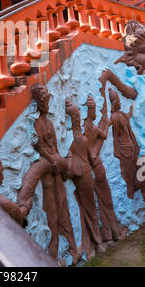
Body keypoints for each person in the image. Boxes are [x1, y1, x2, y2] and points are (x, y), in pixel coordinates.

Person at [17, 84, 81, 264]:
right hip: (47, 175)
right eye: (44, 101)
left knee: (64, 210)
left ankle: (73, 249)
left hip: (56, 172)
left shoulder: (49, 123)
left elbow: (55, 148)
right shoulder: (36, 123)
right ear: (38, 102)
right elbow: (39, 147)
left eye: (48, 100)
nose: (47, 104)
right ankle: (52, 257)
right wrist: (52, 160)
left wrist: (58, 161)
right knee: (52, 217)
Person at [83, 90, 127, 244]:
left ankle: (109, 234)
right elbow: (104, 135)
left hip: (89, 170)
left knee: (101, 202)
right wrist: (107, 123)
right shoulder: (92, 128)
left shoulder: (82, 130)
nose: (94, 113)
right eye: (93, 110)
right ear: (90, 112)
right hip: (97, 168)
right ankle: (115, 232)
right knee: (106, 201)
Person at [65, 98, 105, 260]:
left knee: (85, 209)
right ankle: (96, 243)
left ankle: (91, 245)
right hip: (87, 176)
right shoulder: (83, 140)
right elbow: (92, 158)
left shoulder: (69, 142)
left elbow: (68, 166)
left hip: (79, 178)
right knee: (89, 208)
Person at [109, 88, 140, 200]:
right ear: (115, 103)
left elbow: (127, 116)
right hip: (125, 150)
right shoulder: (114, 117)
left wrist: (131, 109)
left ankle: (134, 193)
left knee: (136, 172)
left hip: (131, 148)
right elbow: (108, 124)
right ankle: (130, 197)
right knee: (128, 175)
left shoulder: (121, 114)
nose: (120, 102)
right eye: (118, 101)